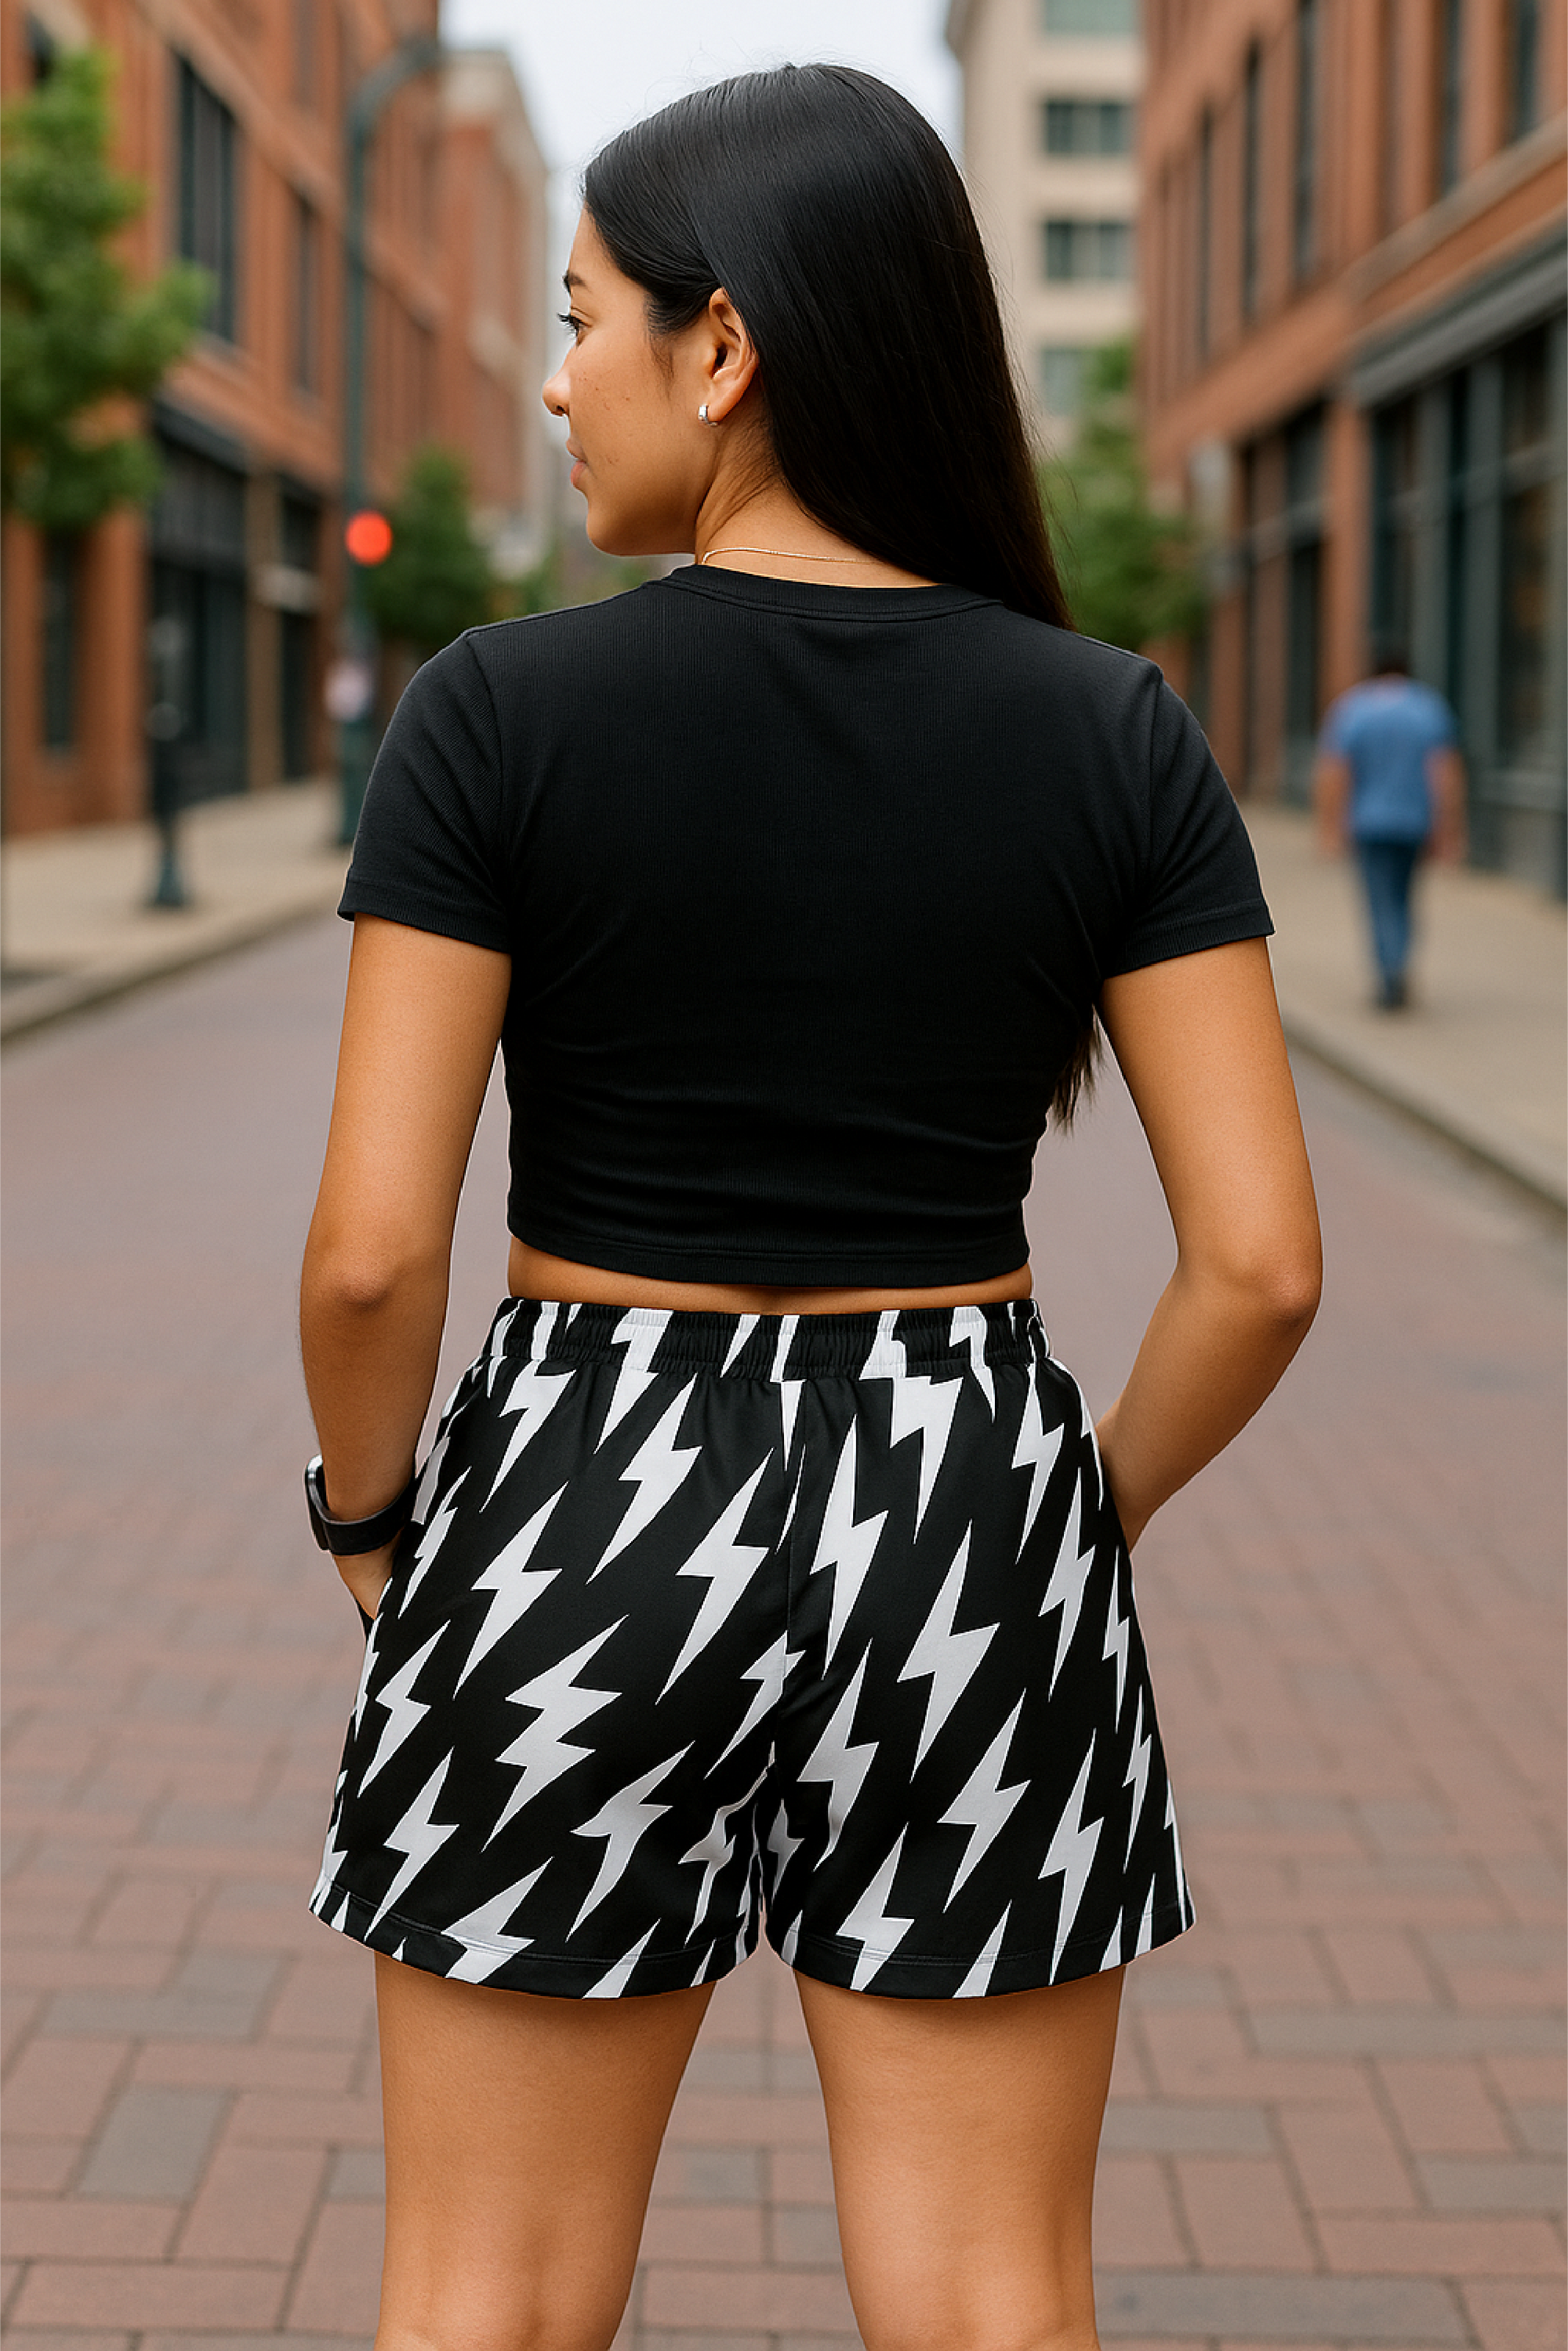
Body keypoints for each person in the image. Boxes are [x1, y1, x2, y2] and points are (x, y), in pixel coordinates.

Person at [299, 65, 1321, 2351]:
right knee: (985, 2298)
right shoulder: (1115, 726)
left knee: (487, 2297)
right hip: (965, 1476)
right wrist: (1075, 1517)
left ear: (724, 346)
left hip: (577, 1478)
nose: (556, 377)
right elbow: (1259, 1265)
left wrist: (377, 1530)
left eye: (583, 317)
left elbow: (372, 1249)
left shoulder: (493, 715)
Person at [1314, 647, 1468, 1010]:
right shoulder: (1427, 708)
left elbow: (1336, 771)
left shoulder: (1353, 709)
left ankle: (1389, 973)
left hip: (1370, 822)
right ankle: (1398, 965)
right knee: (1404, 897)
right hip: (1415, 822)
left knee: (1379, 900)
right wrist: (1449, 828)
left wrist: (1330, 826)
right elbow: (1444, 772)